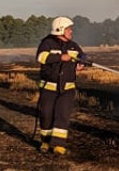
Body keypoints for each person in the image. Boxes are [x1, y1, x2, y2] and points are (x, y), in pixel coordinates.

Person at [35, 16, 87, 156]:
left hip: (67, 89)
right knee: (46, 115)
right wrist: (60, 57)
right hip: (48, 88)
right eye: (69, 29)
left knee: (62, 115)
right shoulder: (47, 43)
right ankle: (45, 141)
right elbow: (40, 57)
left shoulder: (73, 45)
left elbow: (82, 56)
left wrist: (81, 63)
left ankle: (58, 145)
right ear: (60, 30)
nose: (71, 32)